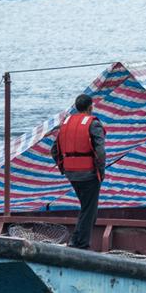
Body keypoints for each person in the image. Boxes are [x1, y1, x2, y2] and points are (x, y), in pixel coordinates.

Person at [50, 93, 106, 250]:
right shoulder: (93, 124)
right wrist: (101, 172)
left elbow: (54, 150)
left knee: (86, 207)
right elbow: (100, 151)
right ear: (90, 107)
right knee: (89, 210)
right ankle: (79, 244)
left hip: (71, 172)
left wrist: (63, 168)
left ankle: (78, 241)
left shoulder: (65, 123)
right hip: (88, 173)